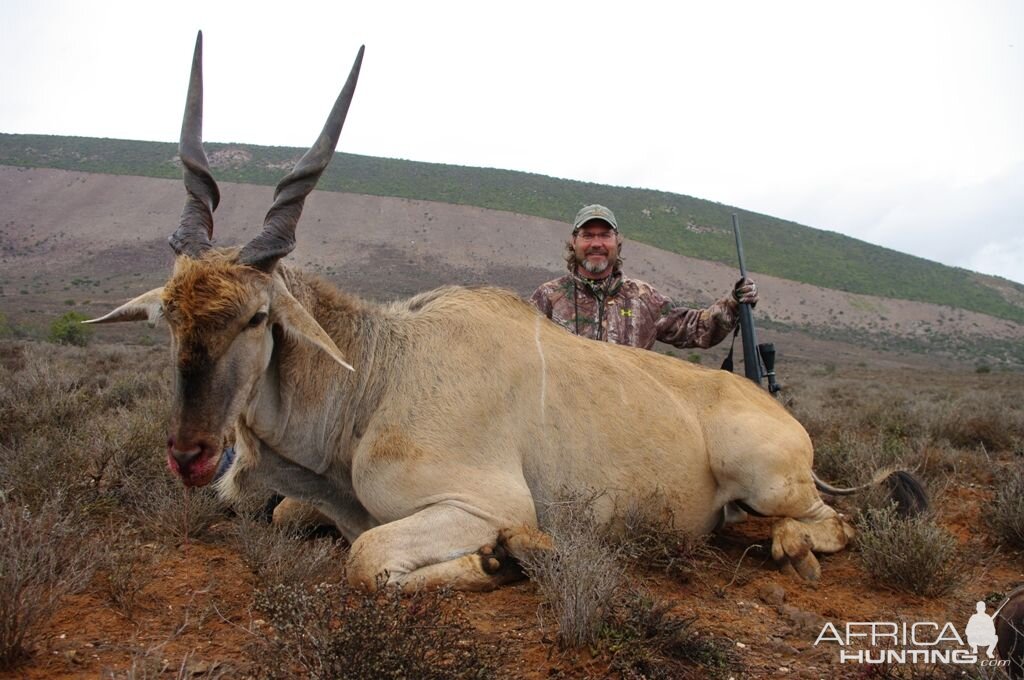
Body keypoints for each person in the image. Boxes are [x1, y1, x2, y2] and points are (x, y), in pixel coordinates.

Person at [530, 204, 758, 351]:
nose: (596, 244)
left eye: (605, 235)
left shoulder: (642, 297)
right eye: (588, 235)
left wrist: (734, 303)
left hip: (630, 417)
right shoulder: (548, 297)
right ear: (574, 241)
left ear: (617, 241)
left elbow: (696, 328)